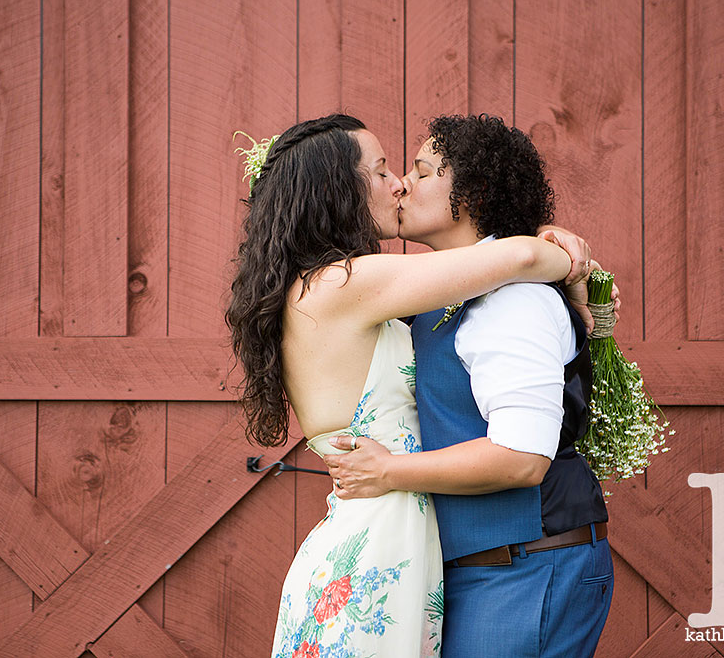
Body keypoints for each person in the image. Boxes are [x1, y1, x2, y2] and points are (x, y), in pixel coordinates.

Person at [225, 114, 592, 658]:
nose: (398, 183)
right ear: (338, 189)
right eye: (381, 171)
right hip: (376, 552)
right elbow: (515, 257)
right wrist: (565, 253)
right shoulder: (345, 283)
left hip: (390, 540)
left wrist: (580, 302)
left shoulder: (335, 288)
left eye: (411, 171)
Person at [324, 114, 614, 657]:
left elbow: (521, 457)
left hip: (527, 563)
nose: (404, 184)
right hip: (480, 568)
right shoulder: (438, 297)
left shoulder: (513, 301)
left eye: (423, 171)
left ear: (474, 193)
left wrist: (386, 471)